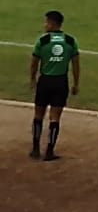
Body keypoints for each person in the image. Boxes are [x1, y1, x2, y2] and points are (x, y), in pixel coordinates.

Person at [30, 10, 80, 161]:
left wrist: (32, 78)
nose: (44, 25)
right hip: (61, 82)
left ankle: (35, 149)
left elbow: (34, 63)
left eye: (46, 22)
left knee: (38, 115)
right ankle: (50, 151)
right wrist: (76, 83)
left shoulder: (42, 41)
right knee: (55, 117)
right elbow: (76, 65)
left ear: (52, 23)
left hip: (45, 81)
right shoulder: (71, 41)